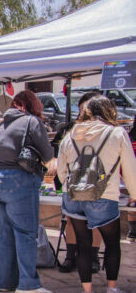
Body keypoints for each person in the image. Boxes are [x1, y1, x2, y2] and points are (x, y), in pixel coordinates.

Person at [57, 96, 136, 293]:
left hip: (74, 196)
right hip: (103, 195)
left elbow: (61, 171)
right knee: (112, 244)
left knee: (82, 245)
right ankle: (111, 290)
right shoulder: (117, 133)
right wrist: (134, 194)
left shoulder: (70, 135)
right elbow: (130, 168)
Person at [0, 90, 57, 293]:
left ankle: (5, 282)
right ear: (31, 105)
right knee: (26, 234)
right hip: (19, 180)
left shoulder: (1, 124)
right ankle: (28, 284)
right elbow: (48, 154)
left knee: (5, 233)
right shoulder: (31, 121)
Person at [54, 91, 103, 274]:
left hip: (96, 185)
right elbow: (60, 159)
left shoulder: (102, 131)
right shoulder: (69, 129)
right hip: (72, 186)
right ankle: (70, 256)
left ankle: (93, 256)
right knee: (71, 221)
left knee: (96, 222)